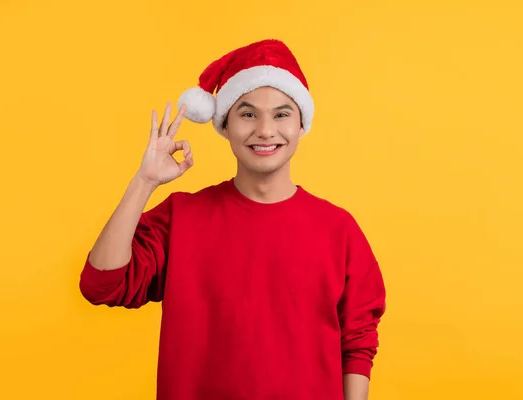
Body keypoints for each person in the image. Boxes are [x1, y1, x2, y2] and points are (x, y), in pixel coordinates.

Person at [79, 39, 386, 400]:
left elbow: (357, 343)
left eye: (282, 114)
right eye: (248, 113)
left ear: (302, 124)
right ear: (224, 125)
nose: (266, 130)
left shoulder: (339, 229)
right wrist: (144, 181)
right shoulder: (182, 217)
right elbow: (101, 285)